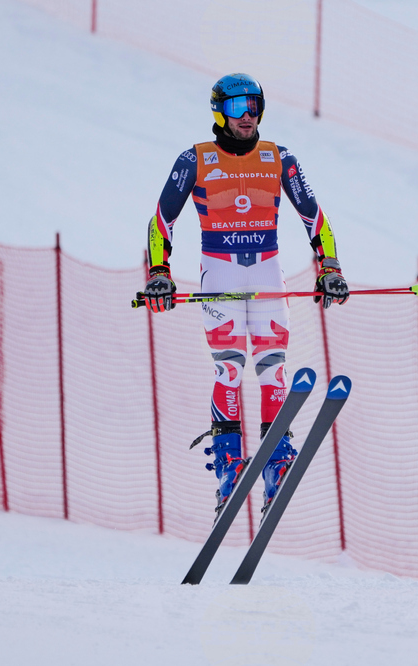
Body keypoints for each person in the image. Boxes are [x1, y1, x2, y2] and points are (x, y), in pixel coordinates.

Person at [143, 73, 349, 518]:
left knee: (273, 367)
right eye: (237, 106)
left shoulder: (280, 158)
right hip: (218, 274)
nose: (248, 114)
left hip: (267, 271)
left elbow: (315, 219)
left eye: (254, 104)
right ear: (219, 111)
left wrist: (329, 267)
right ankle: (229, 466)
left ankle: (276, 463)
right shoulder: (195, 159)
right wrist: (160, 272)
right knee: (230, 367)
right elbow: (162, 220)